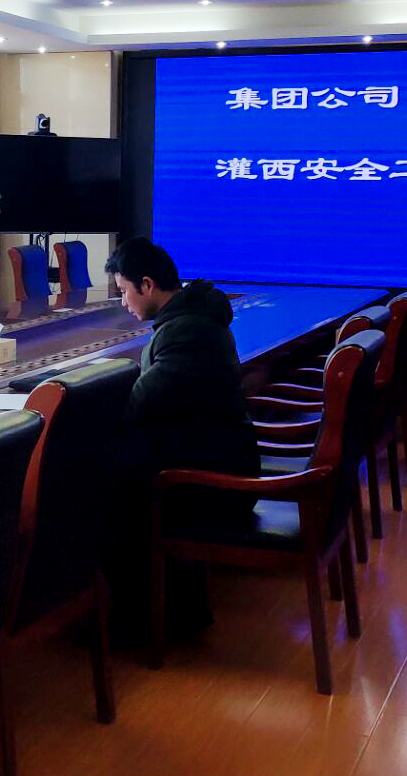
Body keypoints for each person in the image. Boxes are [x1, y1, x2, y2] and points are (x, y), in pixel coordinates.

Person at [104, 238, 259, 634]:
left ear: (147, 284)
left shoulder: (187, 332)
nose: (123, 302)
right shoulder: (194, 319)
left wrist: (94, 400)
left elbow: (142, 402)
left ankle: (142, 619)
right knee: (121, 467)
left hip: (215, 481)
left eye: (124, 291)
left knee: (109, 479)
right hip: (217, 456)